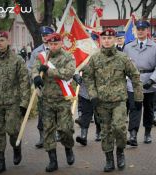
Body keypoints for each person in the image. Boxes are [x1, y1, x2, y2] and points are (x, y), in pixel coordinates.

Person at [83, 28, 143, 172]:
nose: (107, 41)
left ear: (115, 40)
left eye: (110, 38)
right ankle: (109, 159)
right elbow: (88, 77)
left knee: (119, 128)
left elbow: (135, 76)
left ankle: (120, 152)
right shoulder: (95, 58)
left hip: (119, 101)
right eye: (104, 38)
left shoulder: (123, 58)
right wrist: (93, 95)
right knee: (106, 131)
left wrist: (138, 97)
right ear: (100, 40)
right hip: (101, 103)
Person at [0, 31, 30, 174]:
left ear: (8, 41)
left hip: (13, 103)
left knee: (13, 130)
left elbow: (24, 82)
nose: (0, 43)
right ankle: (0, 161)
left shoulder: (17, 60)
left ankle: (16, 148)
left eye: (2, 40)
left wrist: (24, 103)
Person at [32, 33, 75, 172]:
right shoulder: (42, 57)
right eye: (51, 44)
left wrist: (49, 71)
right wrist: (36, 77)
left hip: (63, 100)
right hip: (46, 100)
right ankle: (53, 160)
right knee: (48, 131)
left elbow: (68, 73)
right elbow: (34, 69)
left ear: (61, 43)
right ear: (48, 44)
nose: (53, 46)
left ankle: (68, 147)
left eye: (56, 44)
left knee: (65, 129)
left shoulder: (68, 56)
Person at [123, 20, 156, 144]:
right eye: (138, 29)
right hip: (133, 82)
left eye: (143, 29)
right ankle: (133, 135)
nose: (140, 31)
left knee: (148, 108)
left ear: (147, 31)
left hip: (149, 81)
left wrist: (152, 80)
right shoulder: (128, 47)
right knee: (134, 108)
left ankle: (147, 133)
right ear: (135, 31)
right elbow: (123, 64)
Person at [28, 26, 54, 149]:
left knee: (57, 110)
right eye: (43, 35)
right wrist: (35, 77)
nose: (44, 37)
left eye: (47, 35)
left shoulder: (57, 49)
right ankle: (42, 136)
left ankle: (57, 132)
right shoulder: (36, 52)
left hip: (56, 86)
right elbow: (30, 68)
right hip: (41, 85)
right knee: (42, 111)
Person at [73, 73, 101, 146]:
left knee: (98, 114)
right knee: (85, 114)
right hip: (84, 91)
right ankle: (83, 136)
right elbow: (75, 67)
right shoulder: (83, 61)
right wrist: (75, 75)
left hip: (98, 90)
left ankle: (99, 132)